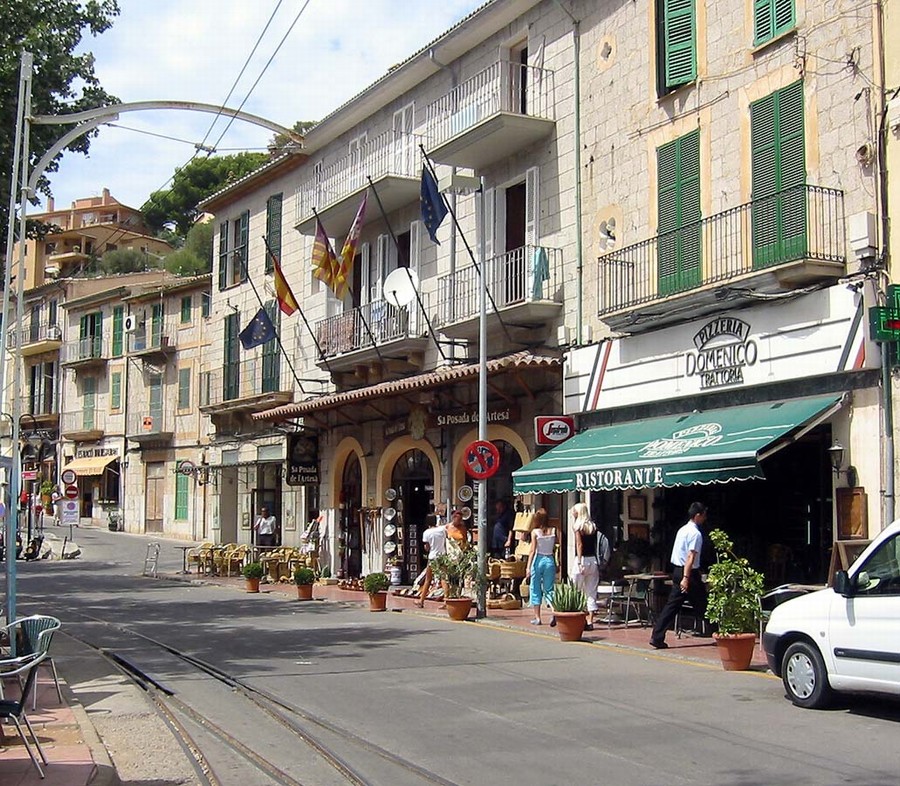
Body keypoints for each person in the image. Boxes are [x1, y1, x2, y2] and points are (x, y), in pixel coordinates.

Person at [649, 502, 708, 649]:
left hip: (678, 570)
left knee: (673, 606)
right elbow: (690, 557)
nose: (705, 518)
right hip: (688, 573)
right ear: (697, 516)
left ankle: (657, 635)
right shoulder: (695, 534)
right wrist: (686, 578)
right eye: (704, 515)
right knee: (703, 604)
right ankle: (720, 632)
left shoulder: (682, 530)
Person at [569, 502, 601, 630]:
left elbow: (579, 545)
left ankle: (575, 616)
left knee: (575, 589)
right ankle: (590, 620)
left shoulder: (578, 527)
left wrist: (579, 561)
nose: (573, 513)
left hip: (582, 560)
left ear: (579, 513)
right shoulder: (592, 527)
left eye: (575, 511)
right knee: (591, 591)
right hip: (593, 560)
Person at [525, 508, 556, 626]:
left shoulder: (535, 532)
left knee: (535, 588)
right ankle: (554, 612)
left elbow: (532, 550)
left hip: (538, 559)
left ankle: (537, 618)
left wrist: (528, 567)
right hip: (550, 559)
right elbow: (555, 547)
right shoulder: (553, 531)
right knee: (549, 589)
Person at [415, 517, 449, 608]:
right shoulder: (442, 529)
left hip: (432, 557)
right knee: (443, 578)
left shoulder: (427, 532)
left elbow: (427, 547)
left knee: (428, 579)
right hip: (442, 556)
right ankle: (446, 601)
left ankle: (421, 601)